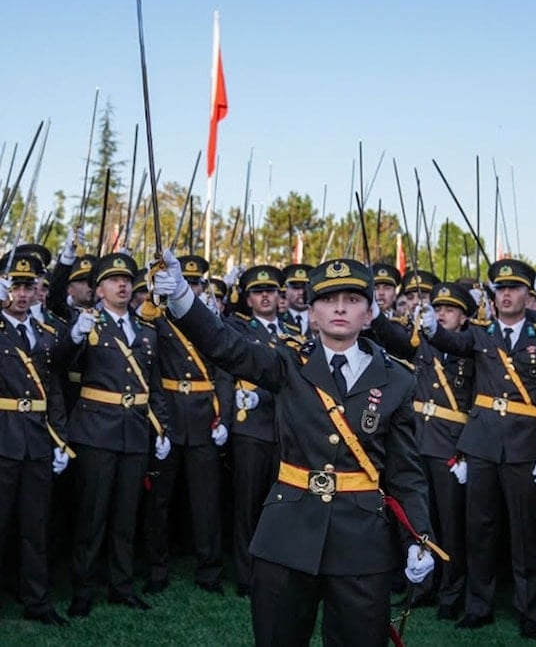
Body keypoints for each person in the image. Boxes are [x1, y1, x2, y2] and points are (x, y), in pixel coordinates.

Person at [153, 254, 436, 646]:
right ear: (312, 313)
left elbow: (406, 473)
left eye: (352, 299)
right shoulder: (287, 362)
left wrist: (418, 538)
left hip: (361, 543)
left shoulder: (397, 381)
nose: (340, 307)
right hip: (286, 535)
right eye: (328, 298)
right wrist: (183, 296)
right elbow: (225, 345)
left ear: (370, 314)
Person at [417, 258, 536, 640]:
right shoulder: (481, 334)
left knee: (525, 534)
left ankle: (528, 611)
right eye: (500, 289)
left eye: (514, 288)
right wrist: (433, 328)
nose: (505, 295)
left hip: (522, 447)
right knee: (479, 531)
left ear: (527, 295)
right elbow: (452, 341)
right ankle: (478, 606)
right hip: (482, 445)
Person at [53, 253, 172, 618]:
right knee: (92, 517)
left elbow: (154, 386)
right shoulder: (86, 324)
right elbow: (56, 363)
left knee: (125, 516)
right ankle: (83, 589)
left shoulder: (146, 329)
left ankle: (121, 586)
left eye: (126, 280)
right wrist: (74, 337)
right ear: (99, 289)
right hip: (96, 431)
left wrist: (162, 427)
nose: (122, 285)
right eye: (114, 280)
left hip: (134, 432)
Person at [370, 280, 478, 620]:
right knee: (418, 522)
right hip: (419, 440)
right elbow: (395, 341)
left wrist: (467, 450)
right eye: (439, 308)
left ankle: (451, 593)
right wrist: (375, 315)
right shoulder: (424, 342)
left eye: (450, 310)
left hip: (451, 446)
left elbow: (479, 403)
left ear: (464, 318)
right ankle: (423, 586)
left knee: (451, 525)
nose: (442, 314)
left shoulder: (473, 348)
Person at [144, 254, 231, 595]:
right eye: (187, 282)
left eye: (196, 284)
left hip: (203, 418)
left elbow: (223, 370)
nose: (191, 288)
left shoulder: (208, 322)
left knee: (206, 500)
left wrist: (223, 416)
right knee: (159, 500)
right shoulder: (158, 318)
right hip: (169, 414)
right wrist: (159, 421)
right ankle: (156, 568)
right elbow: (149, 370)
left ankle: (209, 570)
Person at [0, 254, 71, 626]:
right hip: (3, 436)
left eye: (29, 287)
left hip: (38, 440)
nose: (23, 294)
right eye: (15, 286)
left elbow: (54, 391)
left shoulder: (45, 335)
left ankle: (37, 601)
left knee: (35, 525)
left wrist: (60, 439)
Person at [223, 264, 301, 597]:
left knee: (280, 506)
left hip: (283, 427)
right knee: (247, 505)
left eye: (270, 290)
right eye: (258, 291)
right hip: (251, 427)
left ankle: (275, 570)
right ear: (248, 299)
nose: (266, 296)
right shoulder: (238, 328)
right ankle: (246, 574)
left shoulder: (293, 329)